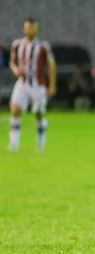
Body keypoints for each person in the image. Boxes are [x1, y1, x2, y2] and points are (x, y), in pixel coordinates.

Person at [8, 18, 56, 153]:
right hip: (22, 83)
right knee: (15, 110)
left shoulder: (43, 46)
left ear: (37, 29)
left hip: (38, 84)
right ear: (24, 29)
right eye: (28, 27)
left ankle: (41, 145)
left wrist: (52, 86)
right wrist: (16, 70)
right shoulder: (17, 44)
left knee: (39, 113)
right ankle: (14, 145)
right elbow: (12, 62)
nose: (30, 30)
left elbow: (51, 66)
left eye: (33, 28)